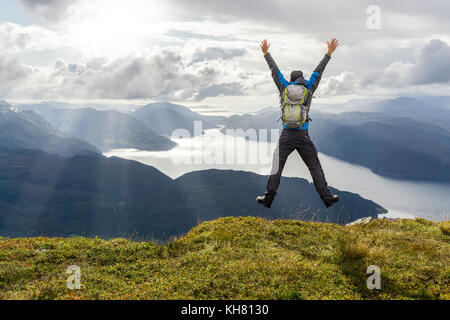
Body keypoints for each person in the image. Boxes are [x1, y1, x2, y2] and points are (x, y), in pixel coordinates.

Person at [256, 38, 340, 209]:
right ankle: (327, 197)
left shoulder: (284, 87)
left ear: (291, 79)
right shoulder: (309, 87)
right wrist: (329, 53)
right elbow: (319, 70)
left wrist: (266, 53)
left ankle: (268, 198)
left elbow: (274, 70)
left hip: (286, 135)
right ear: (302, 78)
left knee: (276, 166)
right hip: (303, 135)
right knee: (314, 166)